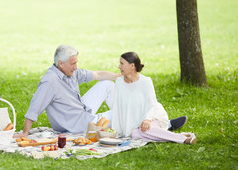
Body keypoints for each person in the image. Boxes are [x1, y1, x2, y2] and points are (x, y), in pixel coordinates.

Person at [14, 45, 188, 138]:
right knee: (122, 113)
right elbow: (35, 107)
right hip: (76, 124)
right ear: (60, 64)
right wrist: (25, 132)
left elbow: (97, 74)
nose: (76, 67)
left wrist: (122, 75)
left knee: (106, 85)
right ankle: (165, 125)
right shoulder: (50, 81)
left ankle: (139, 117)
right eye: (73, 64)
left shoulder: (70, 72)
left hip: (81, 110)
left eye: (76, 63)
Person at [111, 52, 197, 144]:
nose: (119, 67)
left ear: (132, 66)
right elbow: (118, 108)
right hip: (136, 126)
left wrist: (147, 119)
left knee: (146, 130)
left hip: (153, 117)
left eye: (122, 63)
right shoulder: (119, 83)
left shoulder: (145, 82)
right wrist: (117, 131)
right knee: (135, 134)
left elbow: (153, 105)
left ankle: (183, 139)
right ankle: (181, 135)